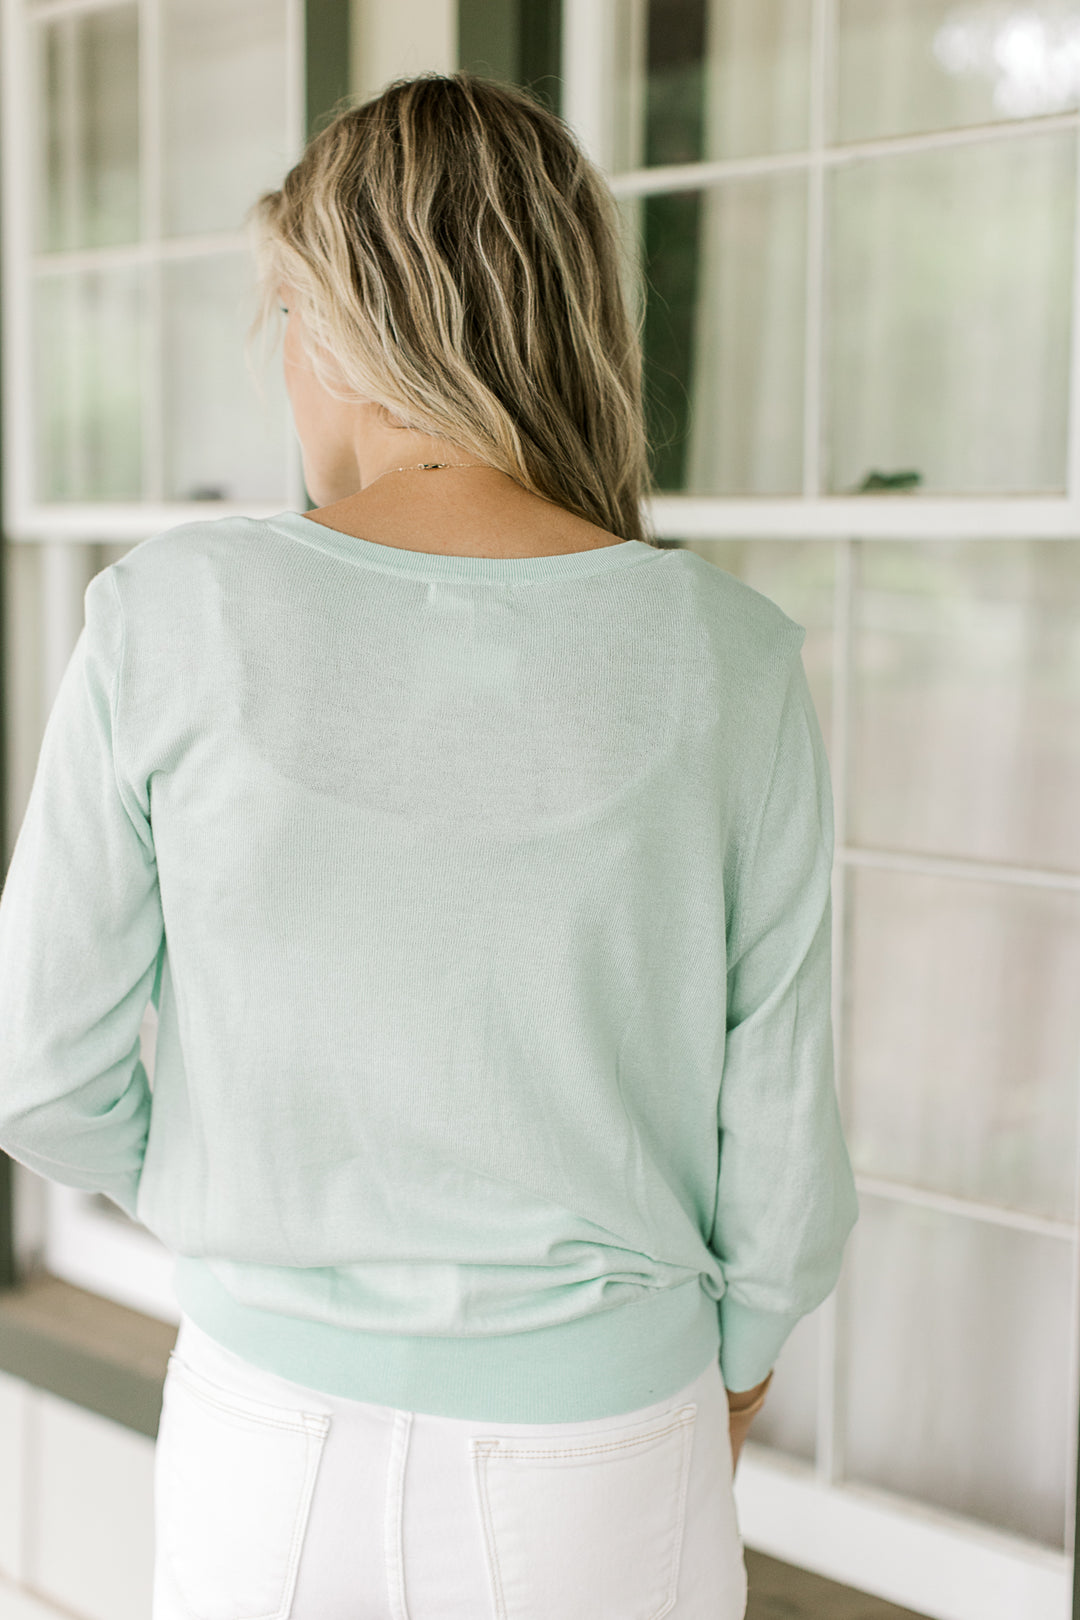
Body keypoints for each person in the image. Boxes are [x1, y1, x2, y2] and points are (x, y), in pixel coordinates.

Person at [0, 71, 859, 1619]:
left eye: (284, 318)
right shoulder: (730, 658)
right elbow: (784, 1151)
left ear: (343, 325)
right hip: (608, 1448)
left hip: (264, 1443)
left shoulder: (167, 616)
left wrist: (262, 1221)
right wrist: (726, 1378)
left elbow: (39, 1073)